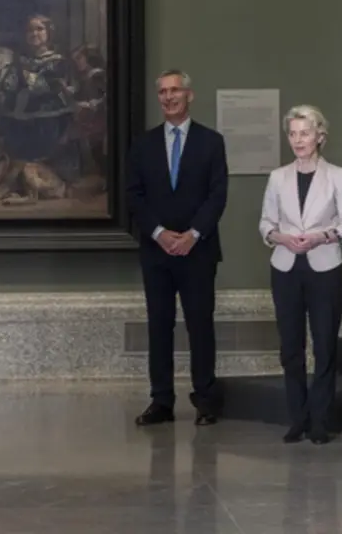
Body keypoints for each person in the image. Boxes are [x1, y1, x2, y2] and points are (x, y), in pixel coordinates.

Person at [126, 69, 228, 426]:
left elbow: (217, 196)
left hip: (198, 251)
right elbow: (134, 196)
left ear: (189, 95)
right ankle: (161, 401)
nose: (169, 97)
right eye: (163, 92)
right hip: (157, 253)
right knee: (159, 326)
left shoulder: (211, 142)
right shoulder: (143, 145)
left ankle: (205, 399)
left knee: (200, 325)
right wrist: (158, 233)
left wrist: (192, 235)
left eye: (175, 91)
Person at [259, 105, 342, 444]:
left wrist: (321, 236)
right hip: (286, 266)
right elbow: (266, 224)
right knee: (290, 347)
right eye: (293, 133)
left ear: (320, 136)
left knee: (325, 345)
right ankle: (297, 417)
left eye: (305, 133)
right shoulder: (277, 177)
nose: (298, 140)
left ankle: (320, 420)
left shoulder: (339, 176)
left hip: (324, 266)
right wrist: (280, 237)